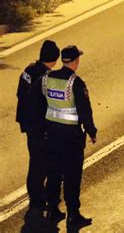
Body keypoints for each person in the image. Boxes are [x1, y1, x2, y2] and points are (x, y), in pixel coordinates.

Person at [30, 45, 97, 229]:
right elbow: (85, 112)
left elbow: (34, 100)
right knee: (72, 177)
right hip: (71, 139)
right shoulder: (76, 83)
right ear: (75, 62)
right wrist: (92, 131)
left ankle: (52, 210)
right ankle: (73, 216)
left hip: (51, 136)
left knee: (54, 174)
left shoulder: (46, 79)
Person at [16, 40, 61, 219]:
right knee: (42, 161)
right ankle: (38, 199)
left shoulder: (28, 70)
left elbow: (20, 94)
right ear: (55, 59)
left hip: (27, 122)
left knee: (35, 158)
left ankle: (36, 195)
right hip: (40, 125)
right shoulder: (48, 77)